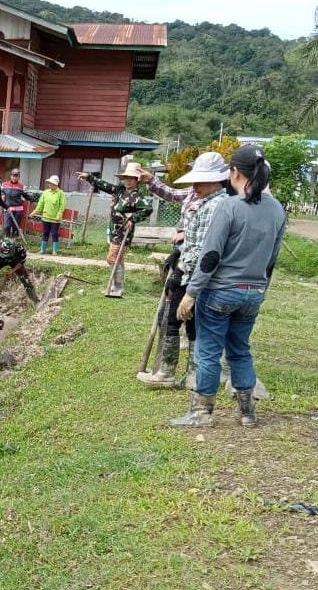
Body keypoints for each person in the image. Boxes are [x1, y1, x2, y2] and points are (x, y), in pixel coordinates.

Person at [170, 145, 286, 428]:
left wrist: (191, 293)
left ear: (234, 172)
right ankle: (247, 413)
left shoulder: (229, 206)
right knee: (240, 349)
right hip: (253, 293)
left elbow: (211, 256)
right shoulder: (277, 209)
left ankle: (201, 413)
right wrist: (260, 290)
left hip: (219, 292)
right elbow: (271, 258)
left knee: (208, 350)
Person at [135, 154, 231, 388]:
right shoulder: (203, 197)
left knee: (178, 318)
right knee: (186, 320)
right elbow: (173, 196)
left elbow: (204, 247)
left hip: (195, 271)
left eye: (200, 181)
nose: (195, 186)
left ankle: (174, 374)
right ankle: (189, 375)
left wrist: (180, 270)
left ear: (216, 181)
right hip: (187, 261)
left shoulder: (216, 205)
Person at [78, 163, 153, 264]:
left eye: (131, 178)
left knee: (112, 259)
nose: (128, 181)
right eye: (126, 178)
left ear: (137, 180)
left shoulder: (137, 196)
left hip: (123, 233)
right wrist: (89, 177)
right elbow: (105, 185)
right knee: (117, 260)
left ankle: (117, 280)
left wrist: (133, 219)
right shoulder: (120, 191)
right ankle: (117, 280)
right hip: (114, 231)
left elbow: (148, 209)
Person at [30, 175, 66, 255]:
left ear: (56, 184)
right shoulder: (45, 193)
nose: (49, 184)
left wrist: (58, 216)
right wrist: (34, 212)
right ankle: (42, 250)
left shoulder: (61, 194)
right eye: (49, 183)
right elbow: (40, 205)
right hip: (45, 218)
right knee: (45, 233)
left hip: (55, 219)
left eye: (51, 183)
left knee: (54, 234)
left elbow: (62, 206)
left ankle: (55, 251)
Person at [1, 168, 38, 238]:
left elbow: (26, 196)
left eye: (16, 176)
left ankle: (14, 241)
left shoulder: (21, 186)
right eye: (13, 176)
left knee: (16, 226)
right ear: (10, 176)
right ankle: (7, 241)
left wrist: (33, 200)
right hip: (8, 209)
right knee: (7, 226)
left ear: (18, 177)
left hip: (18, 209)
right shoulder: (5, 185)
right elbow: (2, 195)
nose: (14, 178)